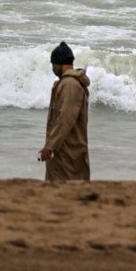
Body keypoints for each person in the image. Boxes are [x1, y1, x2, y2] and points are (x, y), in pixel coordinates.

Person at [38, 41, 91, 182]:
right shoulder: (66, 83)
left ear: (59, 63)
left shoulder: (70, 85)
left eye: (53, 64)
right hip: (64, 151)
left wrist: (50, 146)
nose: (52, 68)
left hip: (69, 154)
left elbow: (65, 119)